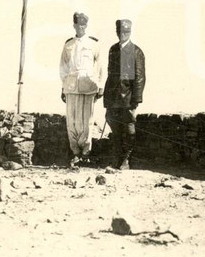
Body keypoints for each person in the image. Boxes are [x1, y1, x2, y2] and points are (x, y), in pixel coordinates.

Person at [59, 12, 104, 168]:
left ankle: (86, 154)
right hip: (71, 87)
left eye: (84, 25)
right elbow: (63, 67)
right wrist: (63, 87)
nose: (81, 27)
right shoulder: (68, 45)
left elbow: (99, 67)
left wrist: (100, 86)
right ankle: (75, 153)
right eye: (78, 25)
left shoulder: (93, 44)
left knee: (86, 122)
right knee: (71, 122)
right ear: (74, 25)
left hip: (88, 87)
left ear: (87, 25)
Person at [103, 19, 145, 170]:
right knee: (114, 127)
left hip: (128, 98)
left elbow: (139, 77)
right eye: (120, 32)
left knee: (129, 128)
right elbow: (110, 75)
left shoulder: (136, 51)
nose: (123, 34)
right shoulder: (113, 49)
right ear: (116, 32)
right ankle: (117, 157)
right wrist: (107, 98)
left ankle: (126, 159)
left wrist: (136, 99)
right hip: (113, 98)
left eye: (126, 32)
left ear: (130, 32)